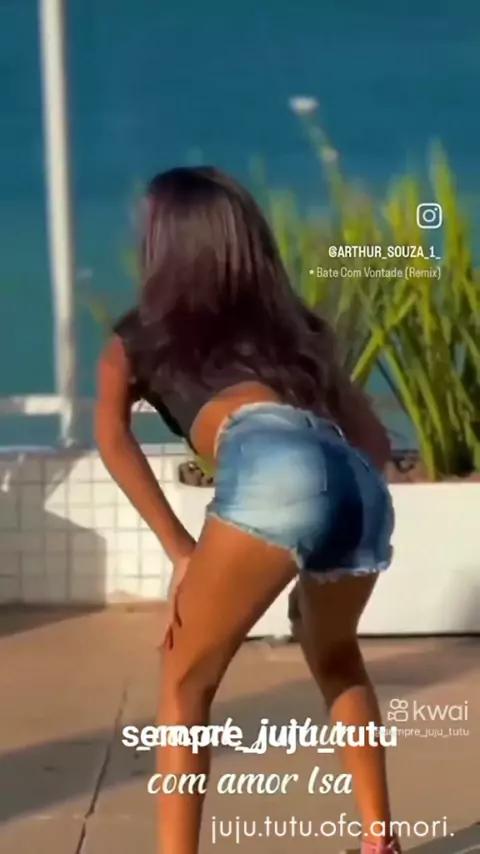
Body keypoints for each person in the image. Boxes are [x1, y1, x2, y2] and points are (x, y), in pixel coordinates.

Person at [94, 166, 398, 854]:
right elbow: (375, 444)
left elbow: (112, 438)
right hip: (356, 483)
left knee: (184, 682)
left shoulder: (139, 336)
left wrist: (181, 548)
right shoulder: (300, 331)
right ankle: (381, 842)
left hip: (271, 460)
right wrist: (319, 517)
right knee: (337, 654)